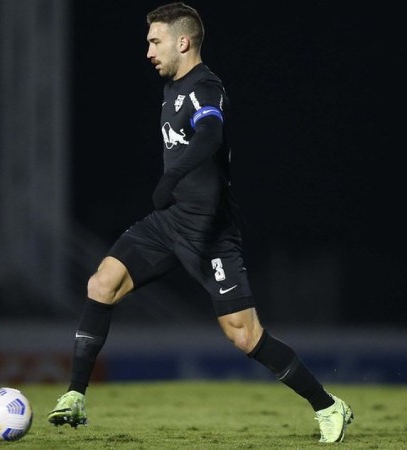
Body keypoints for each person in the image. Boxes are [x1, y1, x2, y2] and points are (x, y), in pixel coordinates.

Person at [48, 2, 353, 443]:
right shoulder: (172, 89)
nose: (148, 51)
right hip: (169, 222)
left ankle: (329, 406)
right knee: (102, 283)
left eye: (155, 41)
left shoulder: (204, 86)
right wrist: (173, 189)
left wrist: (171, 175)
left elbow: (210, 134)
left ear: (183, 41)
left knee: (245, 336)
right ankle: (75, 396)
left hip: (210, 232)